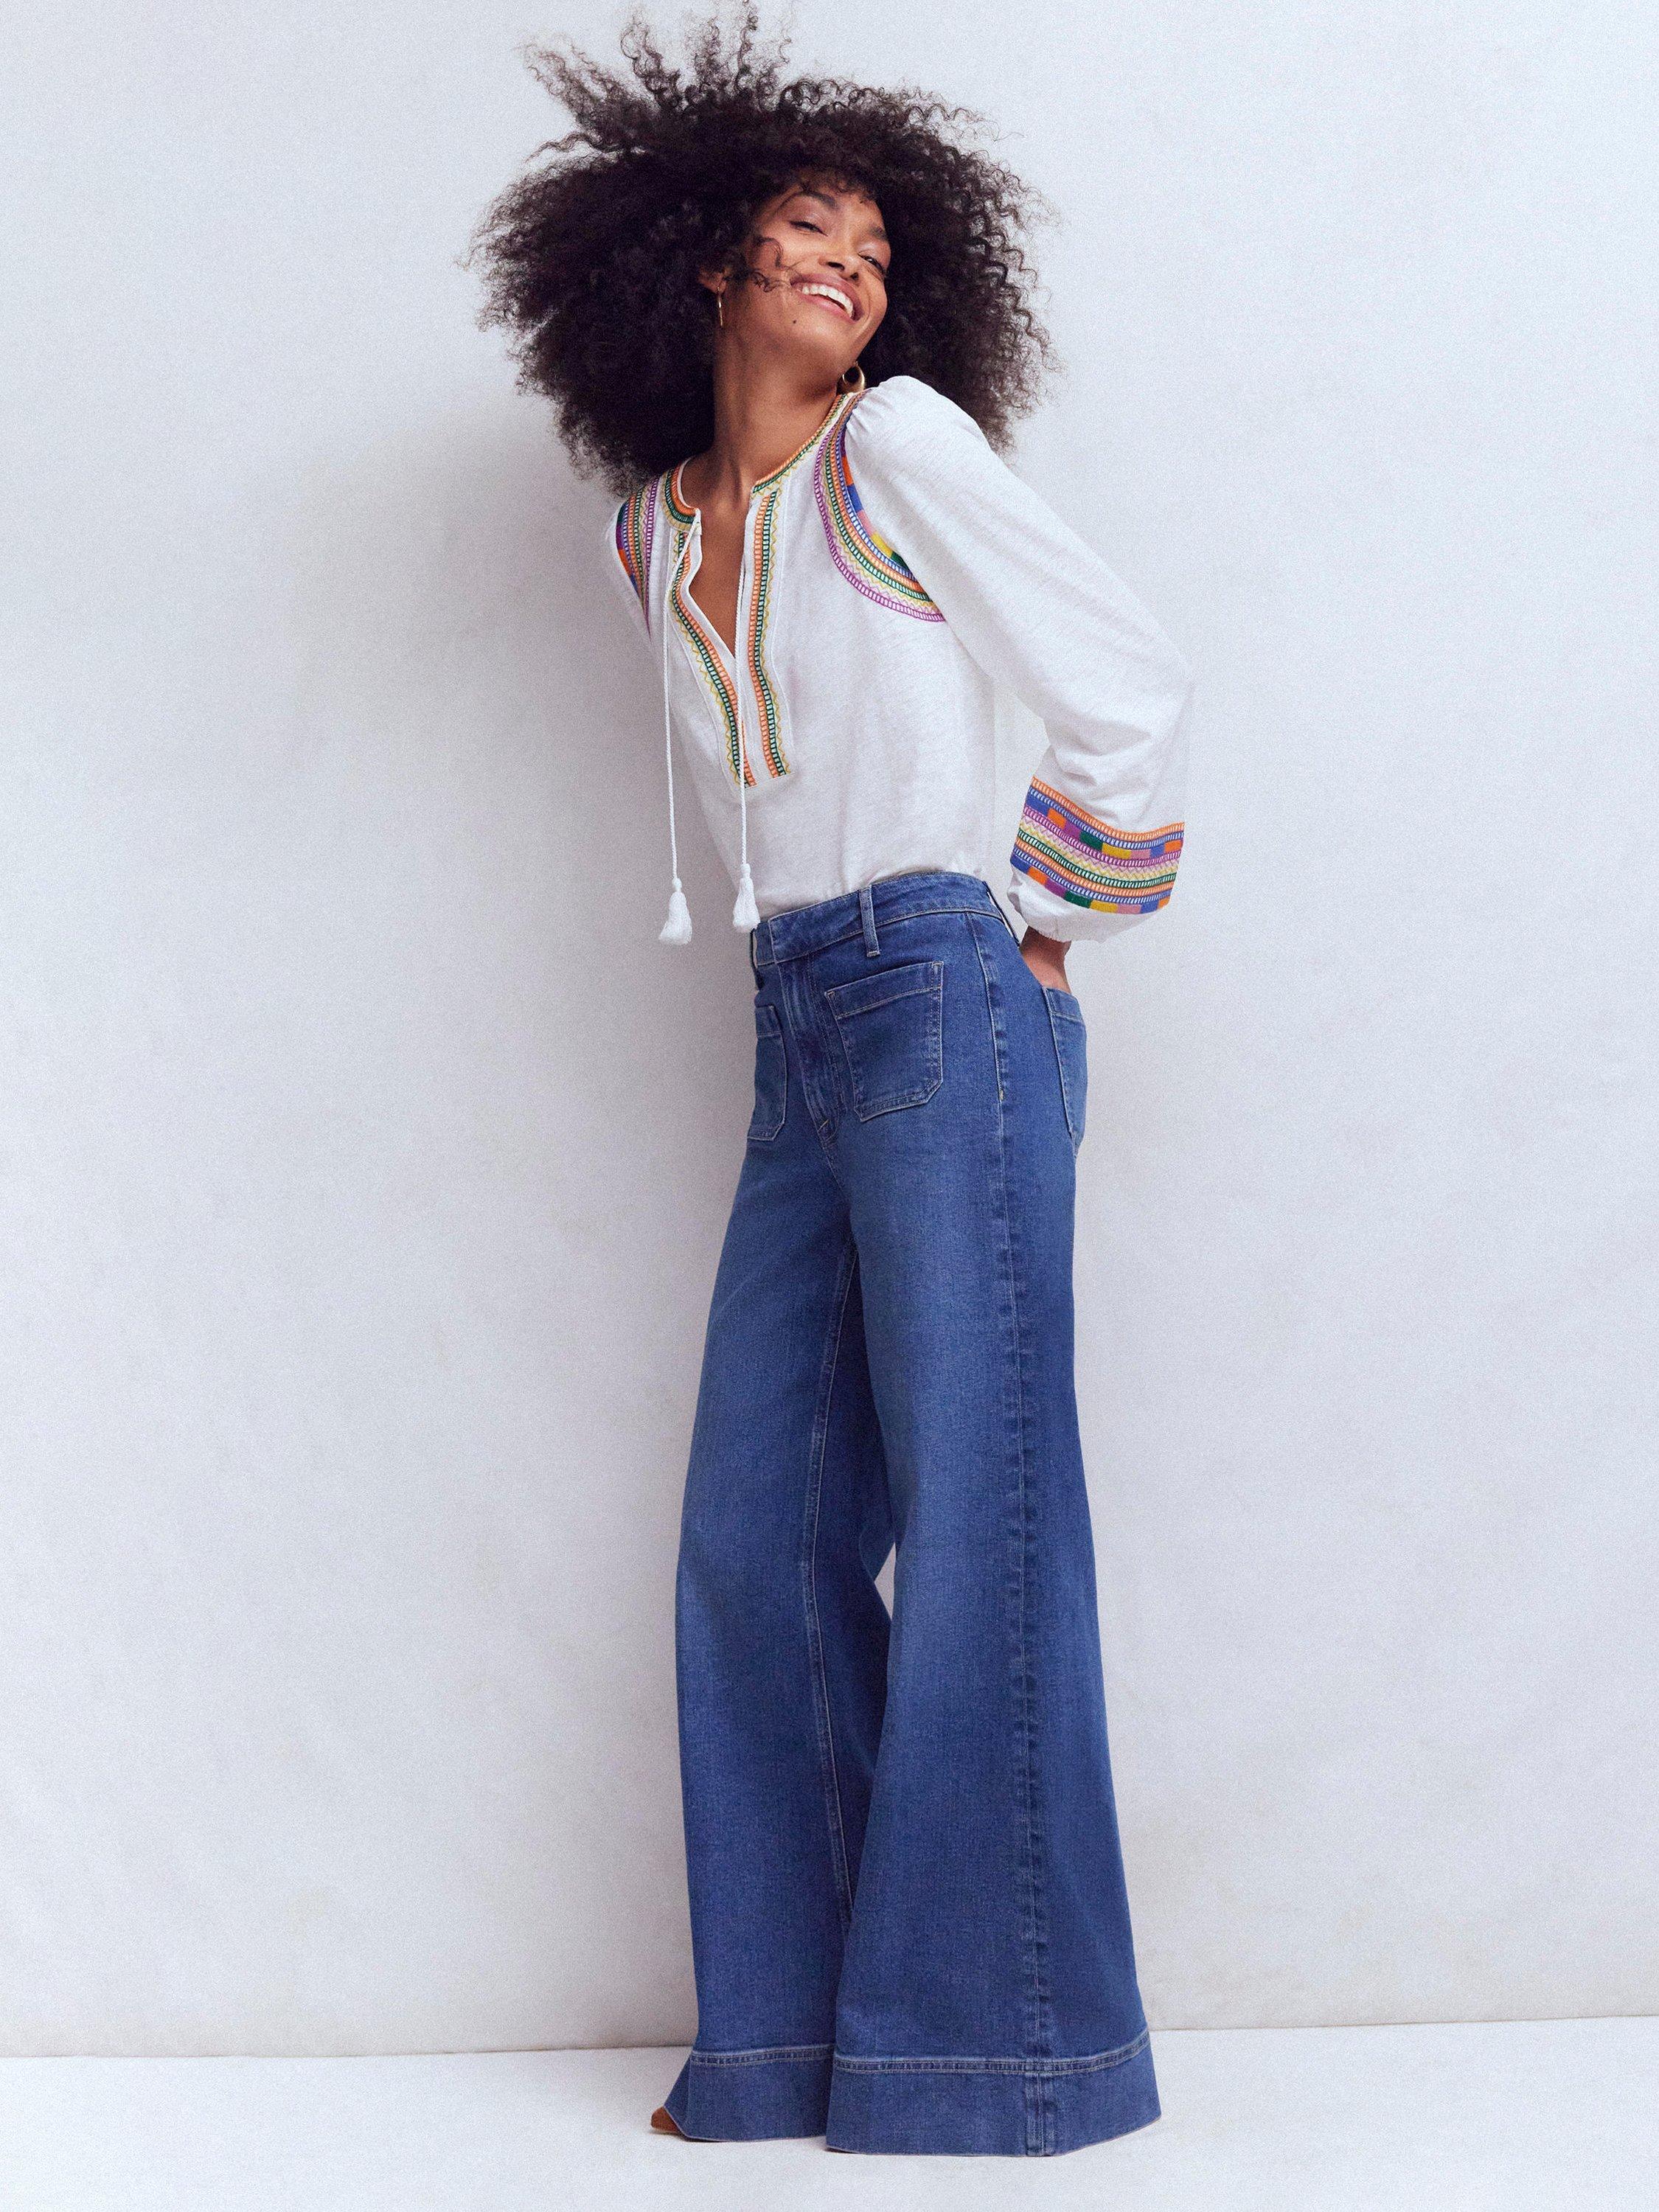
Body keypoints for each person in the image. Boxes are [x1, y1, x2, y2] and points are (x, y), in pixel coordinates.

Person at [472, 8, 1193, 2159]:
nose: (852, 268)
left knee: (977, 1517)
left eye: (878, 248)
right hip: (796, 1018)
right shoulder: (650, 528)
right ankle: (788, 2038)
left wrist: (1040, 927)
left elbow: (1126, 685)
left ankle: (997, 2049)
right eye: (810, 231)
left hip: (944, 990)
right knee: (753, 1539)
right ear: (700, 260)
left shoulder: (900, 450)